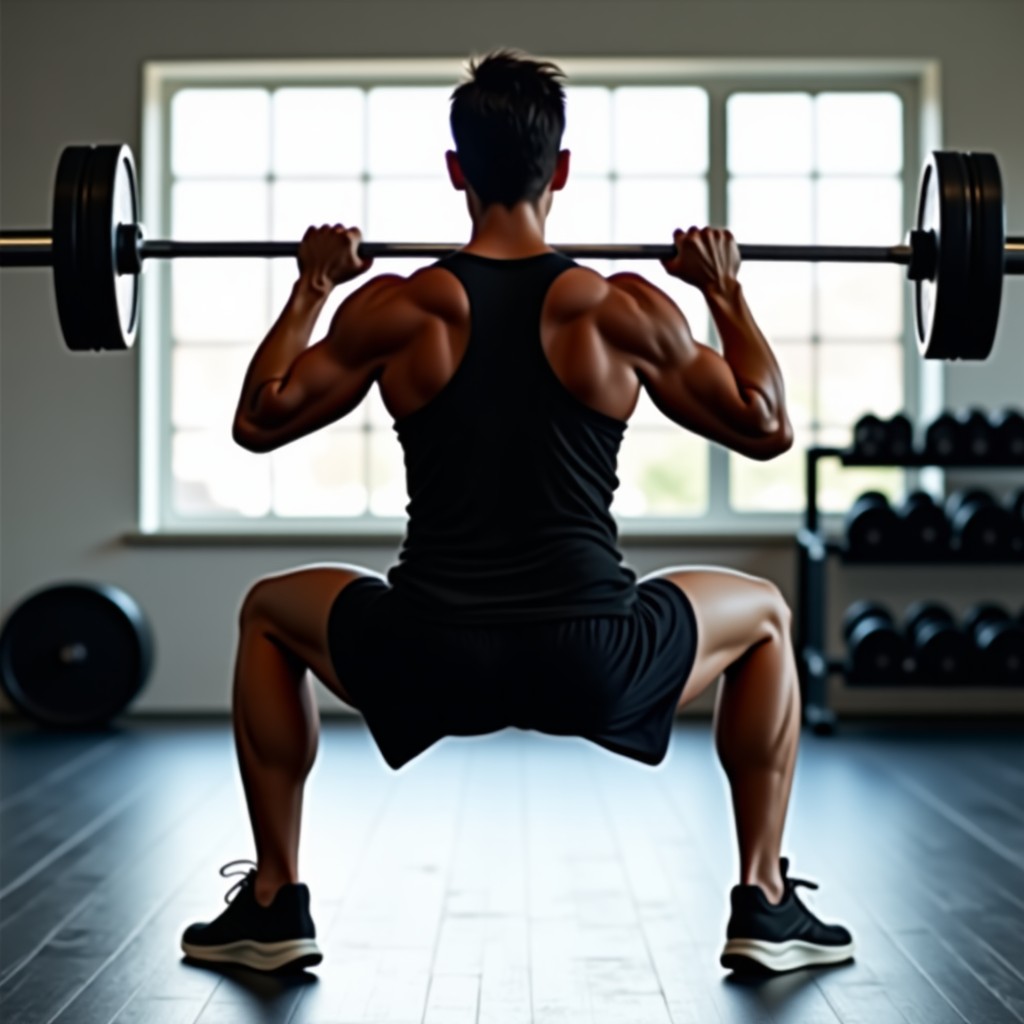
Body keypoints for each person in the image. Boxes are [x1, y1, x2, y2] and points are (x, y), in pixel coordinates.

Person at [181, 49, 854, 977]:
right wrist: (723, 288)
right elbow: (767, 426)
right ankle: (765, 903)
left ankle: (272, 902)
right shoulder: (621, 309)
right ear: (561, 170)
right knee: (769, 615)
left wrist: (313, 285)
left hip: (429, 651)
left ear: (457, 171)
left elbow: (259, 420)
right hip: (593, 654)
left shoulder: (402, 306)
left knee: (267, 610)